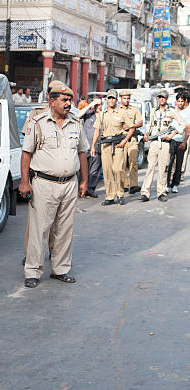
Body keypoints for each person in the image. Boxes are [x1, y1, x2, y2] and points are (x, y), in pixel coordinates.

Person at [19, 83, 88, 288]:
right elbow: (26, 154)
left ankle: (61, 269)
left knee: (65, 229)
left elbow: (82, 152)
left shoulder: (75, 123)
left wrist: (84, 181)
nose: (68, 104)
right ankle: (33, 270)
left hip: (69, 184)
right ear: (52, 101)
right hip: (43, 183)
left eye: (70, 100)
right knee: (39, 229)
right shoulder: (38, 122)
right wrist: (24, 182)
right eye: (64, 100)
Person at [91, 89, 133, 206]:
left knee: (118, 169)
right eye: (109, 98)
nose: (111, 100)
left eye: (113, 98)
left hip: (119, 144)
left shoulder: (121, 113)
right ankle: (110, 196)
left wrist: (125, 140)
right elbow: (97, 131)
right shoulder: (102, 115)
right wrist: (93, 146)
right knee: (107, 171)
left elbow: (131, 128)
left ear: (116, 100)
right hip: (106, 145)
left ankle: (120, 194)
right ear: (106, 100)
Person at [139, 90, 173, 202]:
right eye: (160, 97)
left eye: (163, 97)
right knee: (150, 167)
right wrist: (147, 134)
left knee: (163, 169)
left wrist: (172, 134)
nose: (161, 99)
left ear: (167, 98)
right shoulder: (154, 111)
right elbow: (151, 125)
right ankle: (145, 193)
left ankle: (161, 192)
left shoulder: (171, 111)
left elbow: (181, 125)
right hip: (154, 142)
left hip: (164, 143)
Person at [118, 90, 143, 194]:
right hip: (120, 138)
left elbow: (140, 122)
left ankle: (133, 185)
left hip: (132, 138)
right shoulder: (116, 110)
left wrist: (131, 126)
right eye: (124, 98)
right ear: (121, 99)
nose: (126, 100)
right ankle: (124, 184)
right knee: (122, 162)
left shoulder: (134, 109)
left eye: (128, 98)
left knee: (133, 162)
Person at [167, 92, 190, 194]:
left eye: (182, 101)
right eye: (178, 101)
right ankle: (167, 184)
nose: (180, 103)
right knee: (169, 163)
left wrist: (185, 142)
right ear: (176, 101)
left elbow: (188, 129)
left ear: (185, 101)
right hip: (171, 140)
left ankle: (175, 184)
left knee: (179, 164)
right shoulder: (172, 111)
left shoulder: (187, 113)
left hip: (181, 141)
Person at [79, 98, 102, 198]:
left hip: (98, 146)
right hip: (85, 146)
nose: (98, 106)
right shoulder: (88, 113)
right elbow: (78, 115)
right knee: (83, 169)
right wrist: (90, 105)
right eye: (96, 104)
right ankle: (81, 189)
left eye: (99, 104)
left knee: (94, 171)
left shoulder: (103, 116)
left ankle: (90, 189)